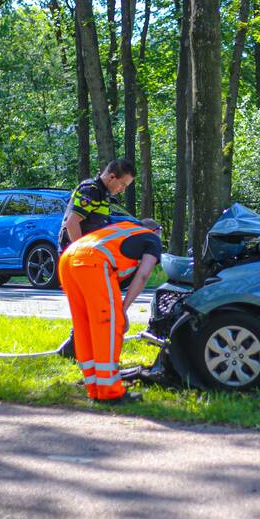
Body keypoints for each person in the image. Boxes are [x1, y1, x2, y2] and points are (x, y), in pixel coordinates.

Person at [58, 218, 163, 404]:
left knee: (84, 326)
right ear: (155, 230)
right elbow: (143, 275)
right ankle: (110, 393)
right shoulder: (152, 239)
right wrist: (122, 309)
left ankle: (94, 388)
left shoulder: (121, 230)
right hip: (93, 262)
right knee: (108, 325)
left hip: (68, 259)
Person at [59, 158, 136, 250]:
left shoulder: (103, 194)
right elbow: (72, 223)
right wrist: (82, 251)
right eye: (122, 184)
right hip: (75, 253)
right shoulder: (91, 191)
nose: (122, 190)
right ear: (112, 177)